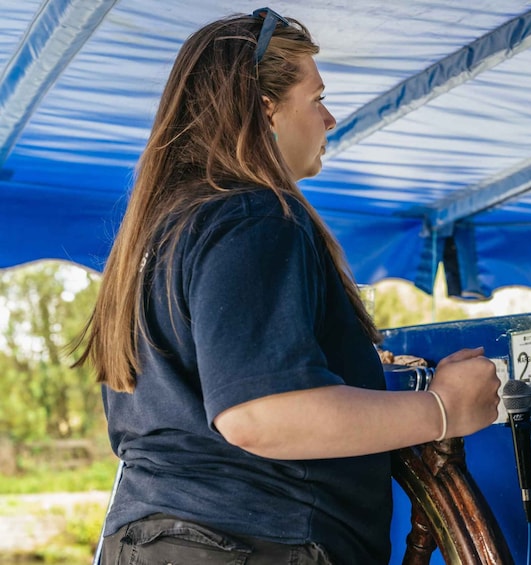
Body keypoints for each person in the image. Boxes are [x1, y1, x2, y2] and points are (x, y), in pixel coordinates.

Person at [74, 7, 501, 565]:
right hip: (254, 542)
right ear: (265, 109)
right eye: (317, 98)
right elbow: (260, 415)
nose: (328, 120)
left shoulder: (164, 229)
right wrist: (444, 409)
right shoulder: (254, 217)